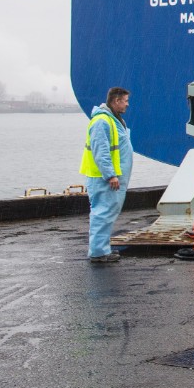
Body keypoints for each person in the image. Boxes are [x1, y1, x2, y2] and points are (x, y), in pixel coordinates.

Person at [80, 87, 133, 263]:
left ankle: (102, 249)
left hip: (112, 178)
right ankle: (97, 252)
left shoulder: (114, 120)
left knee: (107, 213)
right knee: (102, 213)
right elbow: (100, 151)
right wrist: (110, 175)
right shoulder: (102, 122)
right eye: (125, 100)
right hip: (104, 179)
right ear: (116, 101)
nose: (127, 104)